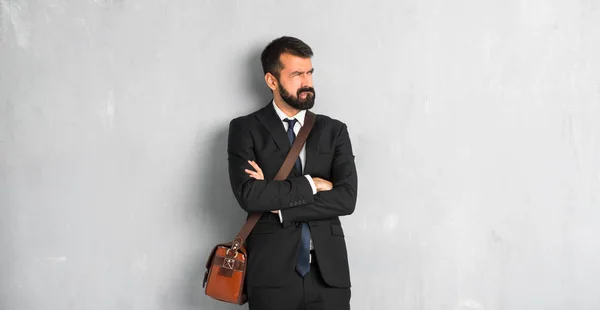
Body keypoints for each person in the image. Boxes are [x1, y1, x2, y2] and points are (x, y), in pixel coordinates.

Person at [227, 36, 358, 310]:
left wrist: (281, 207)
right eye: (296, 74)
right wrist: (312, 184)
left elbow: (346, 199)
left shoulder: (335, 131)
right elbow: (250, 196)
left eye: (309, 72)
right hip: (271, 276)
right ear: (272, 81)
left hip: (329, 276)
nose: (307, 82)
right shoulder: (245, 129)